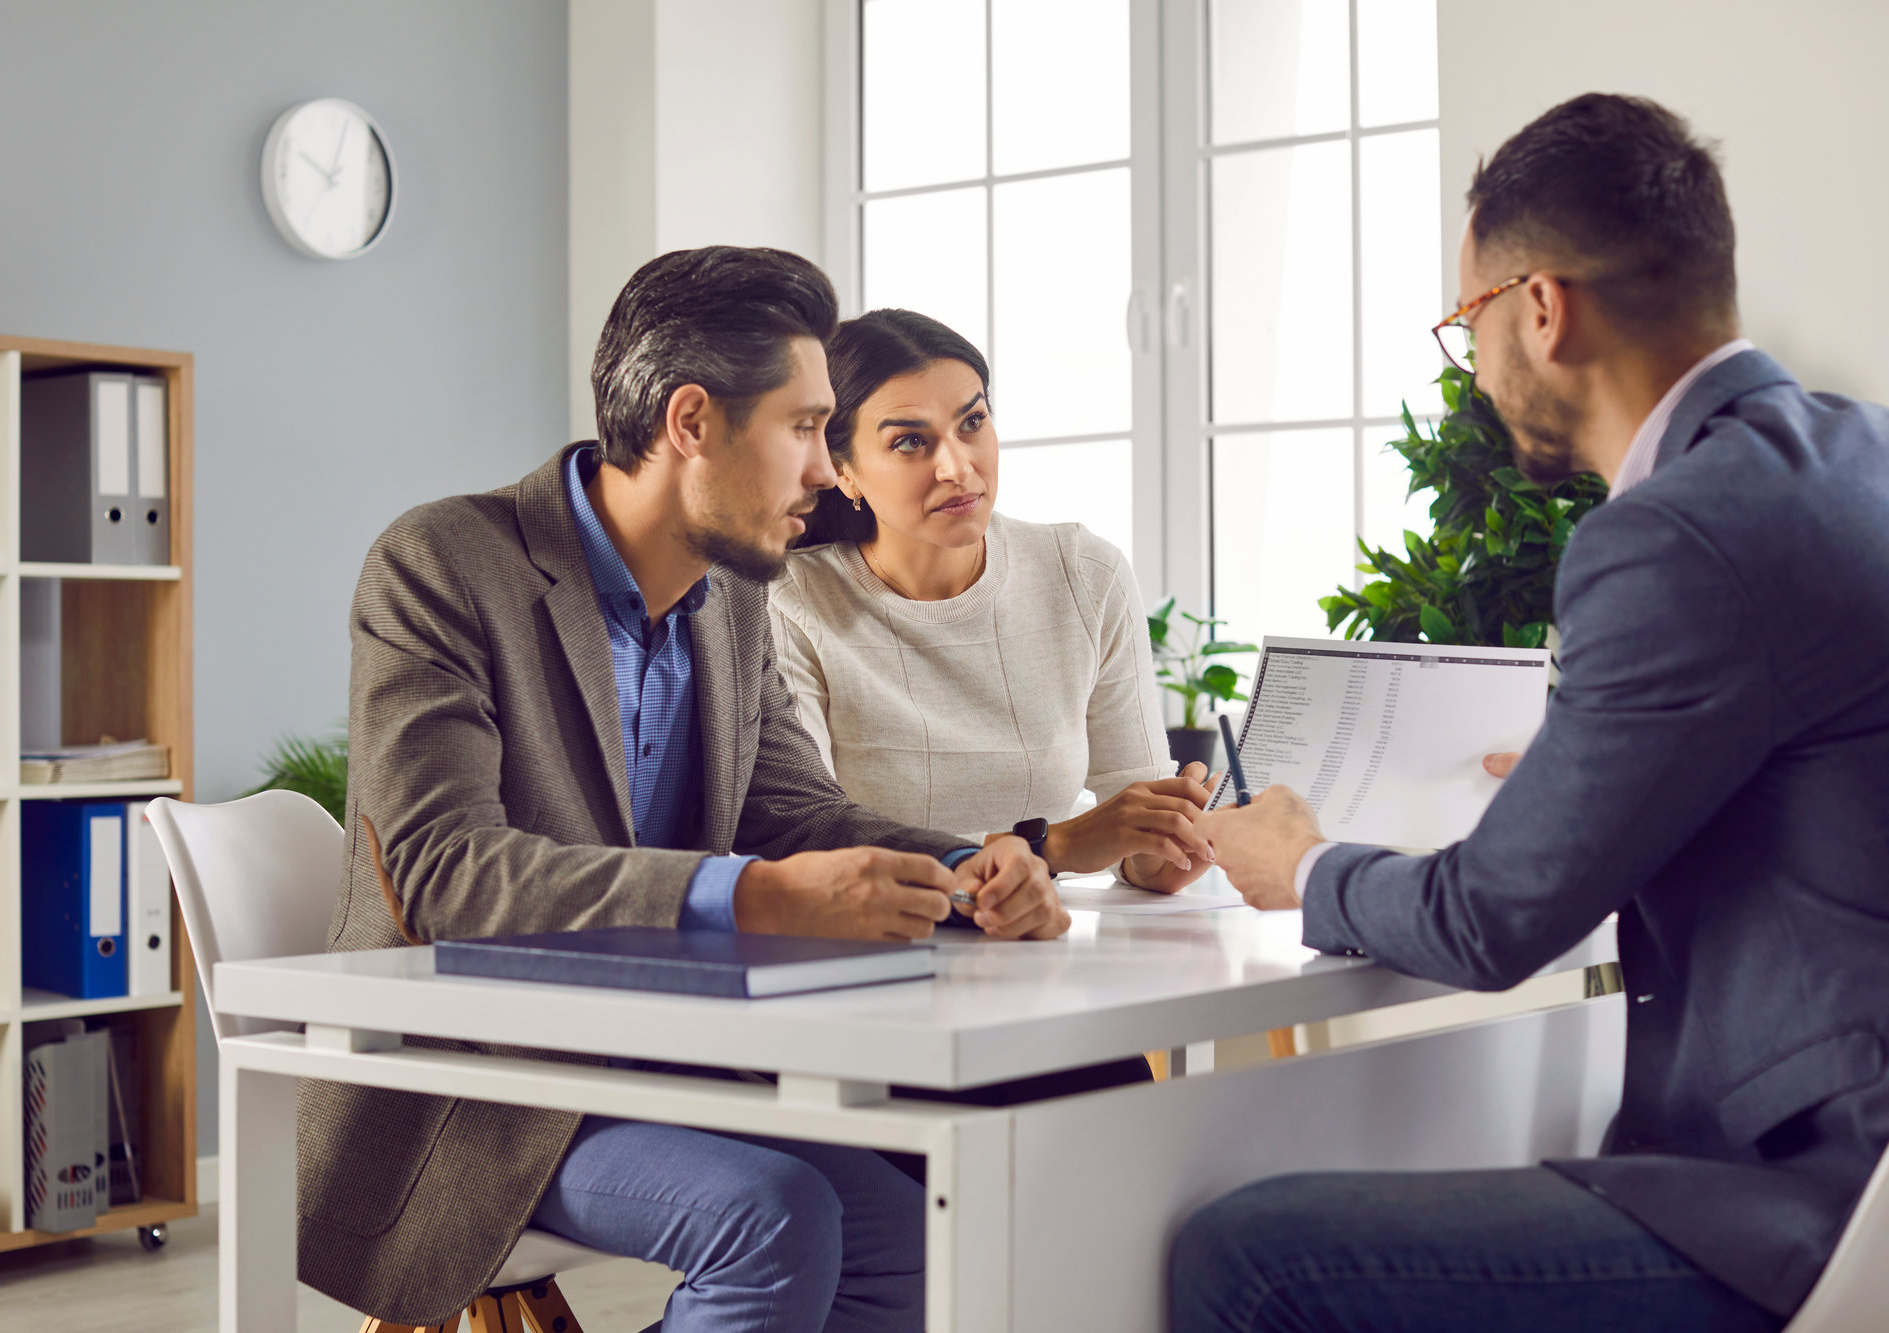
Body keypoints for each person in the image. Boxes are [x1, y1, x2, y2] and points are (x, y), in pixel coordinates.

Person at [1179, 93, 1889, 1332]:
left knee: (1246, 1257)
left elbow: (1490, 922)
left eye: (1468, 320)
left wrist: (1299, 863)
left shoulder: (1670, 535)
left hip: (1810, 1197)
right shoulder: (1854, 455)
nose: (1470, 360)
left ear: (1541, 308)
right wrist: (1582, 780)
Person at [300, 246, 1068, 1333]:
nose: (822, 470)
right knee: (775, 1215)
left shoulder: (732, 595)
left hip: (674, 1056)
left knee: (908, 1241)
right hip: (480, 1085)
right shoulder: (443, 563)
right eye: (804, 428)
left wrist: (959, 868)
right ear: (692, 421)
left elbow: (794, 811)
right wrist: (747, 896)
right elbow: (443, 872)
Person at [772, 308, 1221, 897]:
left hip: (1043, 948)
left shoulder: (1085, 575)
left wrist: (1161, 852)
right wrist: (1047, 848)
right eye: (910, 442)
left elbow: (1130, 814)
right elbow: (807, 841)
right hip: (878, 952)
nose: (958, 467)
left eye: (972, 422)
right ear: (844, 472)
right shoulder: (790, 602)